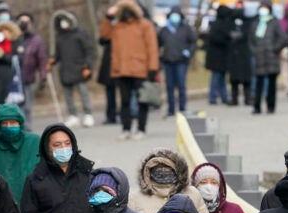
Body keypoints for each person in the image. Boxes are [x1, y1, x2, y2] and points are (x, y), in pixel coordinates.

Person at [129, 148, 216, 213]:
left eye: (167, 167)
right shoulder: (135, 199)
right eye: (159, 167)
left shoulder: (192, 194)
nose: (163, 171)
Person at [99, 1, 159, 140]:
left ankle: (141, 129)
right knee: (124, 101)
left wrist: (152, 68)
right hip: (121, 70)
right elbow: (104, 36)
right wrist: (108, 17)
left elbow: (152, 47)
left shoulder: (144, 25)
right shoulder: (116, 25)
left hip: (140, 69)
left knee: (142, 100)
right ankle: (126, 129)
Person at [48, 10, 96, 128]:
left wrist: (88, 66)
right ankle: (73, 116)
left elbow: (89, 51)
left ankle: (88, 114)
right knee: (68, 96)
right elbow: (58, 55)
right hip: (65, 71)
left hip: (80, 69)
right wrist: (52, 60)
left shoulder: (80, 33)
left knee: (83, 93)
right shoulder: (59, 37)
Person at [249, 1, 288, 115]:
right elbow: (251, 39)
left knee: (272, 84)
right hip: (259, 57)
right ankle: (257, 106)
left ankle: (270, 106)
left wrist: (275, 48)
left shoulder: (274, 22)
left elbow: (283, 38)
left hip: (271, 57)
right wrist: (255, 50)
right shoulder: (256, 22)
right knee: (258, 82)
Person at [158, 7, 197, 116]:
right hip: (168, 61)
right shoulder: (164, 30)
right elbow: (158, 44)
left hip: (181, 61)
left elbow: (193, 42)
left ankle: (182, 108)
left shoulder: (186, 29)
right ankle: (171, 109)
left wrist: (189, 52)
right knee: (169, 86)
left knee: (181, 85)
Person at [15, 13, 47, 131]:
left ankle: (27, 129)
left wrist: (43, 74)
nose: (24, 25)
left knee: (28, 106)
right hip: (15, 79)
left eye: (26, 22)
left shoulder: (36, 40)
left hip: (29, 78)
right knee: (16, 106)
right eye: (21, 22)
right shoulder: (14, 39)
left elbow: (42, 58)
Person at [204, 5, 233, 105]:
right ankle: (214, 96)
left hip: (221, 56)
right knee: (216, 76)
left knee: (221, 77)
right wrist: (228, 39)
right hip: (217, 56)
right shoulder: (218, 25)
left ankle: (223, 96)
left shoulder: (220, 24)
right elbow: (216, 38)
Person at [227, 7, 252, 107]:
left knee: (246, 79)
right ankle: (234, 99)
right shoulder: (230, 23)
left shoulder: (247, 23)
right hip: (234, 55)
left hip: (244, 54)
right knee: (234, 80)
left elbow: (249, 35)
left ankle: (247, 98)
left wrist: (241, 35)